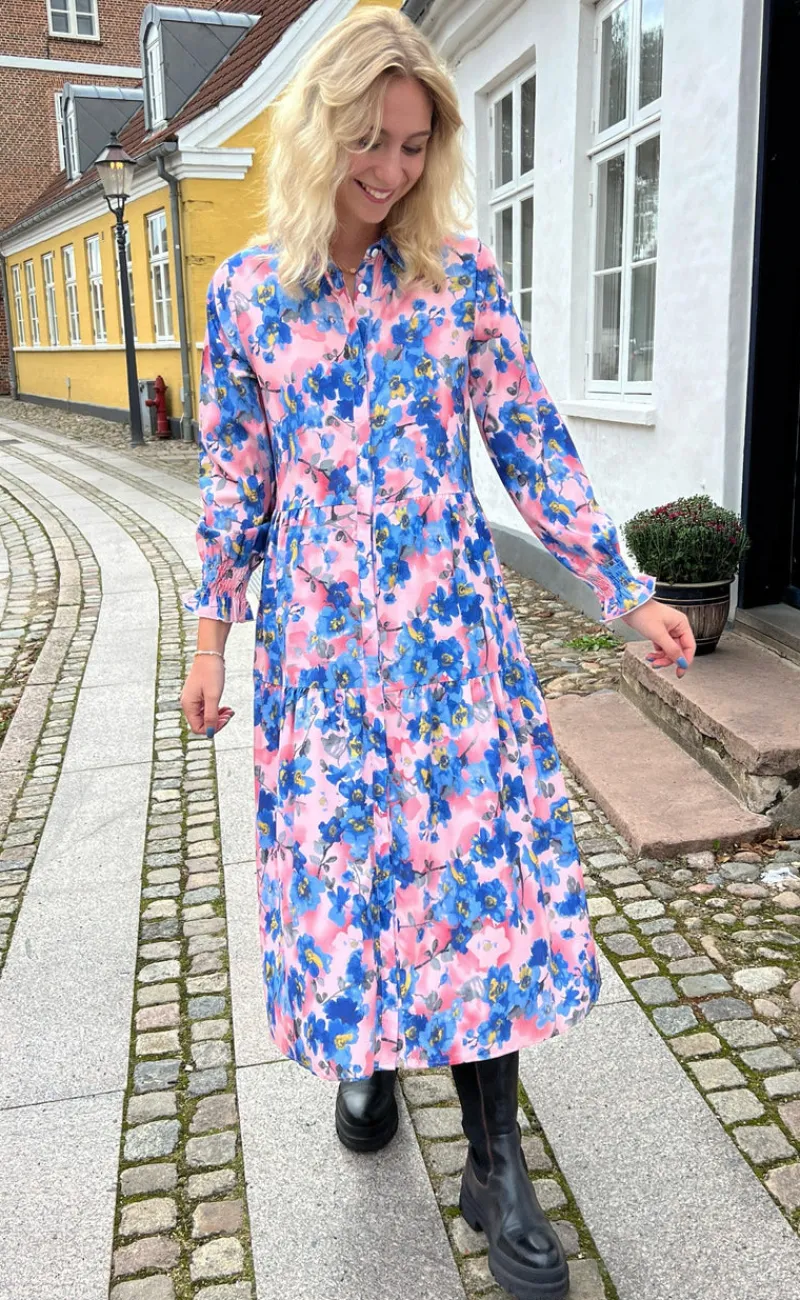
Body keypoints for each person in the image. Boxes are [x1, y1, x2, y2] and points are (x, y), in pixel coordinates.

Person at [180, 8, 695, 1299]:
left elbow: (529, 439)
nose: (393, 169)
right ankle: (367, 1055)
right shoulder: (247, 296)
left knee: (473, 885)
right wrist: (209, 635)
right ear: (322, 133)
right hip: (319, 652)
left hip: (451, 643)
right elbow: (237, 479)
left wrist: (623, 587)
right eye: (372, 142)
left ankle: (495, 1161)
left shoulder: (458, 280)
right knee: (350, 873)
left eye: (414, 146)